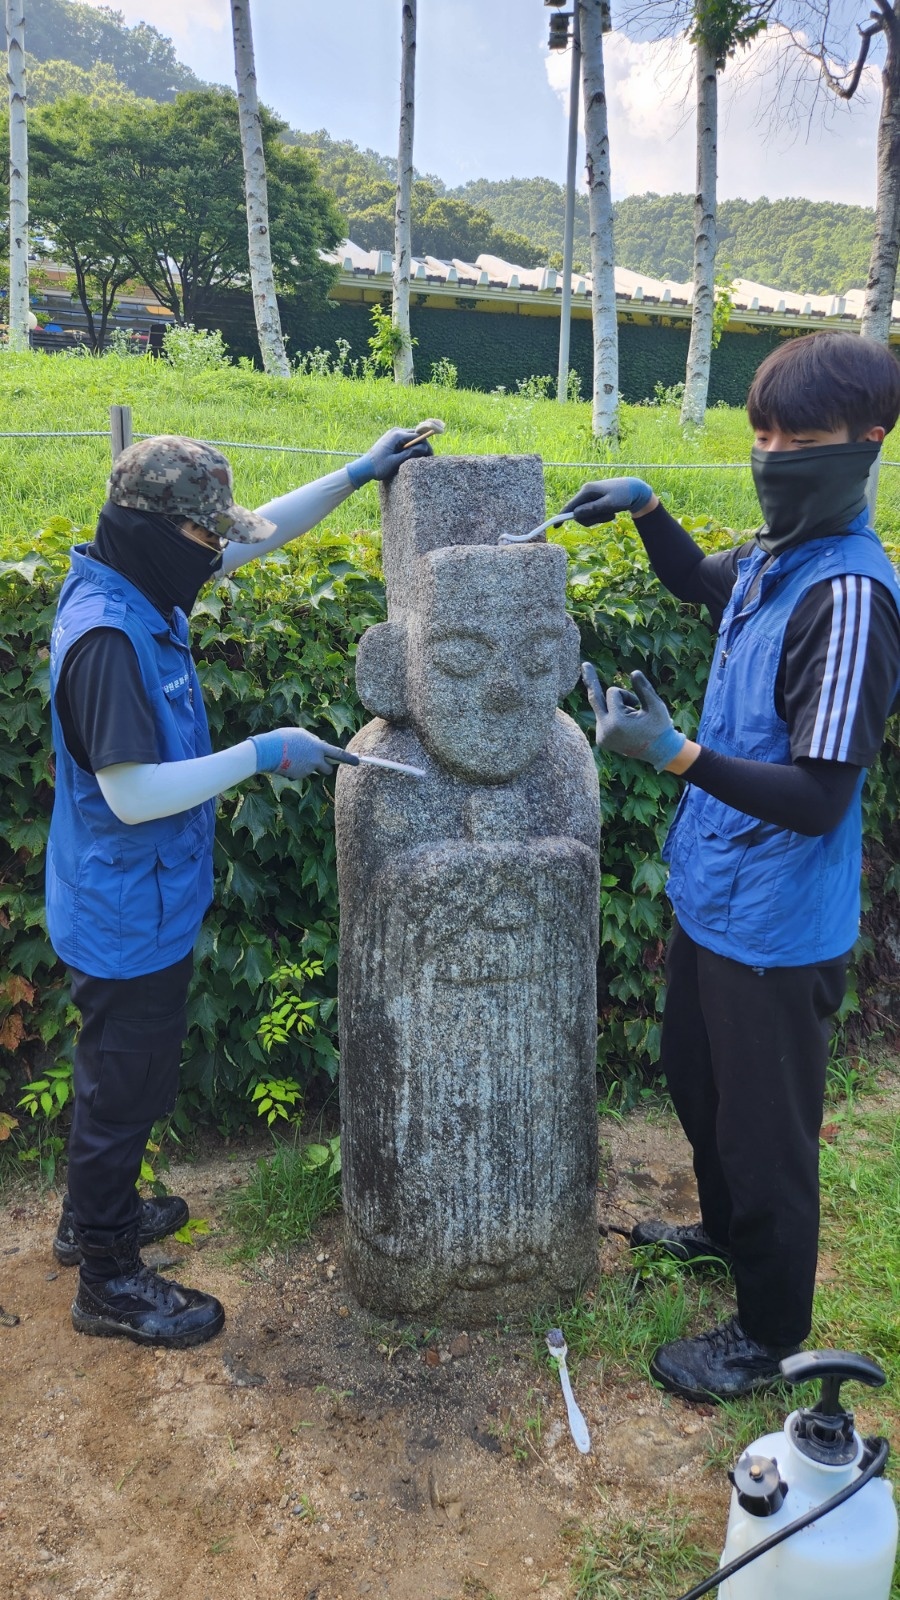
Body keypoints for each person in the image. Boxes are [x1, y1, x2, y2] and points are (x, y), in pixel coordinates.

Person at [565, 331, 900, 1402]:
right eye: (762, 433)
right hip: (714, 893)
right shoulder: (773, 556)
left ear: (868, 443)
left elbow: (817, 798)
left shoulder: (847, 597)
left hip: (779, 921)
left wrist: (675, 754)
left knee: (769, 1138)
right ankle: (721, 1232)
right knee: (696, 1079)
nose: (775, 453)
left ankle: (767, 1332)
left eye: (801, 438)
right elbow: (698, 581)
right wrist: (649, 508)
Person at [47, 425, 433, 1350]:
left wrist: (355, 470)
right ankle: (105, 1277)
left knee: (118, 1078)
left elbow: (258, 534)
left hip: (140, 897)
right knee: (121, 1090)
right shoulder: (105, 638)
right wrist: (266, 753)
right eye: (206, 538)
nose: (220, 552)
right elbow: (131, 793)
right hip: (124, 912)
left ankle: (87, 1218)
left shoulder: (137, 578)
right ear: (157, 531)